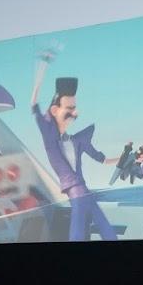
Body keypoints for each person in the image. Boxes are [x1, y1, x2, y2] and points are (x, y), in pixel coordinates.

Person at [31, 61, 118, 242]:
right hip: (75, 191)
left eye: (74, 108)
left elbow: (102, 160)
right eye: (70, 109)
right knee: (78, 230)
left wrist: (126, 157)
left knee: (104, 227)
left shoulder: (77, 141)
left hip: (84, 190)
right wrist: (42, 68)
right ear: (54, 110)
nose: (75, 113)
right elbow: (34, 104)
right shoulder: (50, 137)